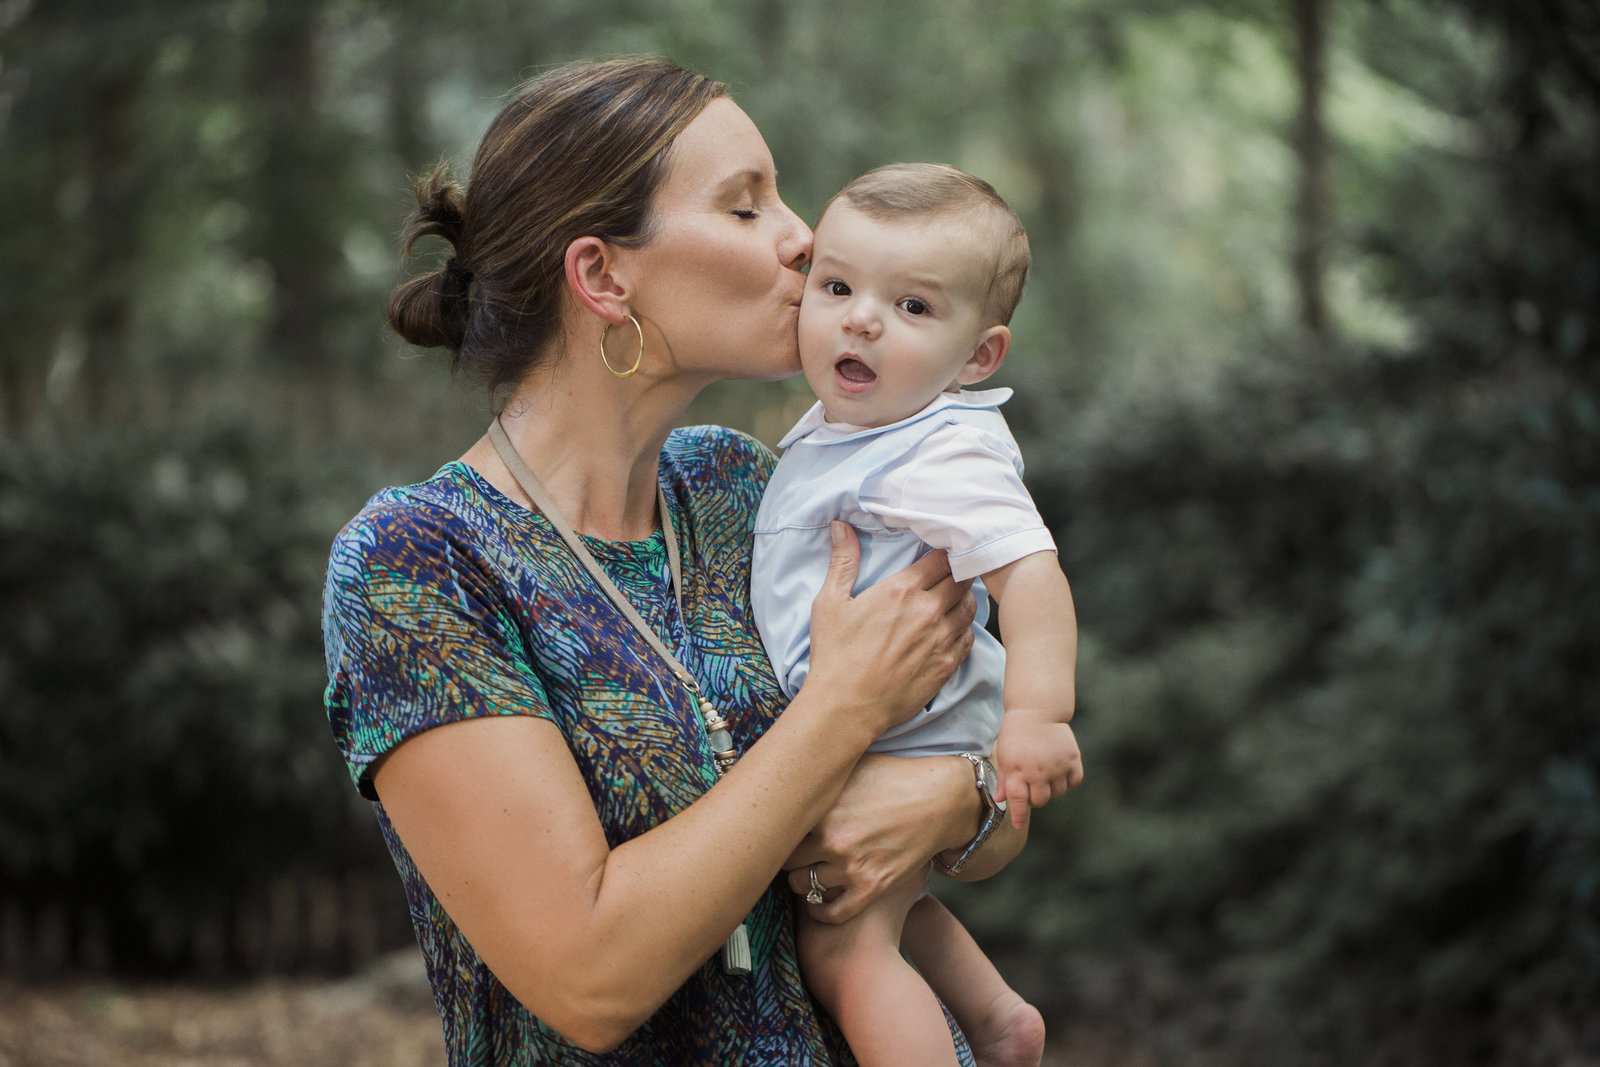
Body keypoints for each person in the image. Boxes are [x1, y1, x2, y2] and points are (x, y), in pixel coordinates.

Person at [321, 58, 1030, 1066]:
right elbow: (588, 977)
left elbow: (990, 788)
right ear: (603, 276)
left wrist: (956, 791)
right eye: (746, 208)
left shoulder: (750, 490)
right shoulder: (421, 563)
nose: (805, 237)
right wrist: (842, 710)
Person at [750, 163, 1083, 1067]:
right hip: (880, 729)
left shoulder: (936, 449)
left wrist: (1037, 715)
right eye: (839, 286)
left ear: (978, 356)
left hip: (913, 731)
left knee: (846, 950)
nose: (861, 318)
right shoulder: (845, 432)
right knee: (884, 904)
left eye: (914, 308)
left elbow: (1032, 573)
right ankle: (997, 1019)